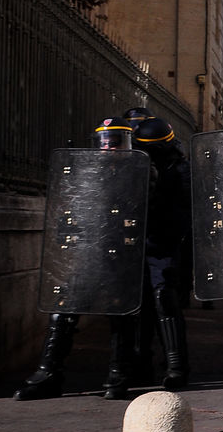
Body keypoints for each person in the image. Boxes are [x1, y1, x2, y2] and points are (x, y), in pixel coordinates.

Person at [16, 118, 141, 400]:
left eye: (116, 142)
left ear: (127, 144)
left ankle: (119, 374)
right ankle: (48, 373)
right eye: (105, 142)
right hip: (88, 252)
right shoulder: (86, 172)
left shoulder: (141, 172)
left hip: (124, 254)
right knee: (64, 308)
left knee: (121, 313)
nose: (109, 147)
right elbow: (72, 205)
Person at [133, 116, 192, 391]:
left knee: (163, 298)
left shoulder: (178, 169)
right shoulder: (134, 163)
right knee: (137, 302)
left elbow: (185, 208)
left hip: (163, 243)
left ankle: (176, 366)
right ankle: (138, 363)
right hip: (135, 242)